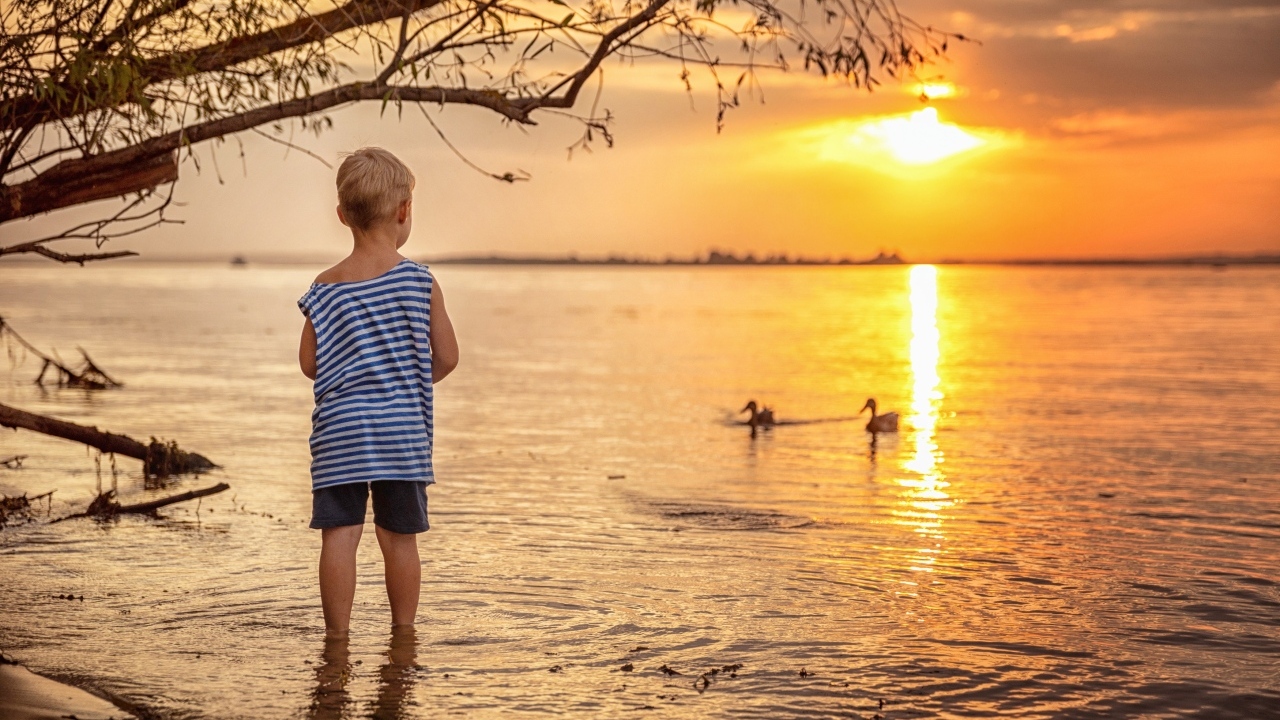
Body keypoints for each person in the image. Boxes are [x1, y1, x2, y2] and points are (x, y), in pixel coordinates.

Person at [297, 147, 459, 639]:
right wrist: (403, 380)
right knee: (400, 540)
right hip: (401, 434)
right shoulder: (419, 280)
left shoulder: (324, 288)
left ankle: (337, 641)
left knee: (340, 536)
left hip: (341, 434)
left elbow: (309, 364)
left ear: (343, 215)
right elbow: (448, 357)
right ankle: (403, 636)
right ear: (404, 210)